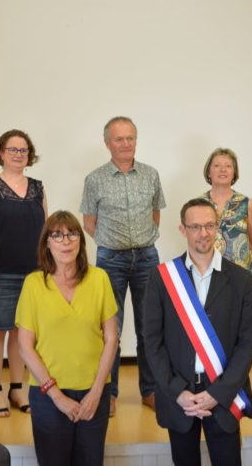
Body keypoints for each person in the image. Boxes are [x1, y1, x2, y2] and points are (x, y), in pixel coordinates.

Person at [143, 198, 252, 466]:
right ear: (182, 230)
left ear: (217, 227)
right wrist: (177, 392)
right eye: (195, 227)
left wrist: (217, 393)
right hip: (180, 394)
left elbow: (245, 346)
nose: (203, 233)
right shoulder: (161, 278)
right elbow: (152, 343)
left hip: (223, 393)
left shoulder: (241, 279)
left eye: (209, 225)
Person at [16, 211, 118, 465]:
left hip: (94, 392)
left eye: (72, 234)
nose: (66, 241)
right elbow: (25, 346)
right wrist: (57, 396)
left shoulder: (99, 279)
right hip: (48, 394)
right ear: (47, 243)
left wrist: (96, 392)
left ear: (81, 241)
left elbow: (111, 339)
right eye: (57, 235)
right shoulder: (33, 284)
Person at [80, 116, 166, 415]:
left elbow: (155, 215)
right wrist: (112, 242)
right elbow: (89, 223)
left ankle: (150, 390)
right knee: (110, 330)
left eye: (130, 138)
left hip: (147, 258)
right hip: (110, 261)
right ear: (107, 144)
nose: (126, 143)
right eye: (119, 139)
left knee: (149, 327)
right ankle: (109, 393)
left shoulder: (151, 175)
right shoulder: (94, 179)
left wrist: (139, 241)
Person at [0, 129, 47, 417]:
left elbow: (46, 233)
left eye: (23, 150)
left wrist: (49, 270)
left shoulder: (38, 187)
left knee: (21, 333)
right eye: (13, 149)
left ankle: (17, 387)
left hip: (33, 274)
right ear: (1, 153)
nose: (18, 154)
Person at [200, 147, 252, 287]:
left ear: (234, 173)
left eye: (228, 166)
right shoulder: (198, 205)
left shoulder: (247, 204)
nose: (223, 170)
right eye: (217, 166)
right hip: (206, 274)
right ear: (209, 172)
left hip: (240, 276)